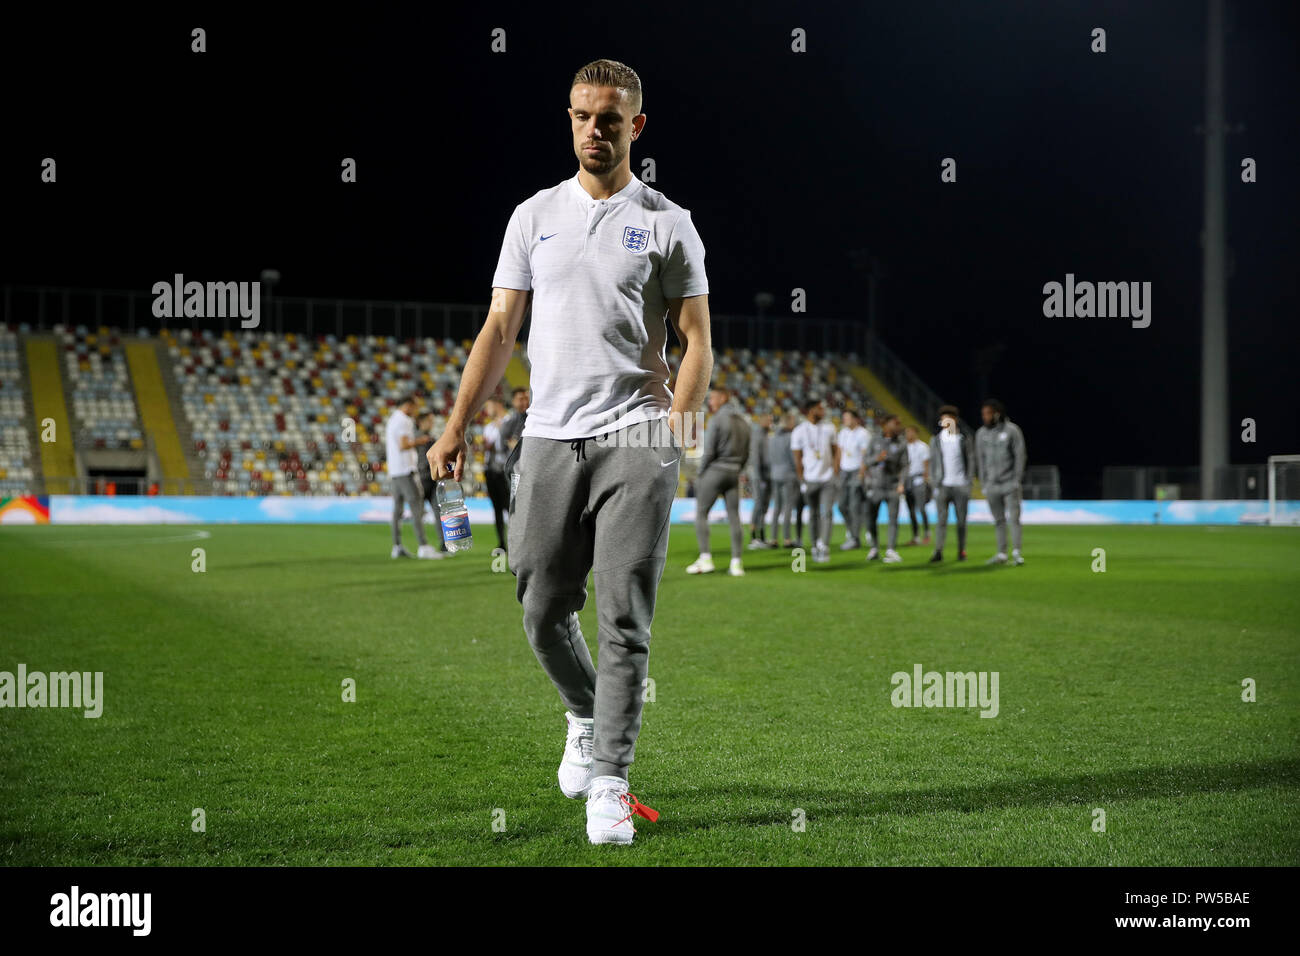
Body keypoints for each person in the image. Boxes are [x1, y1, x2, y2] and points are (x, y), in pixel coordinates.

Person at [427, 59, 711, 845]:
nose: (596, 129)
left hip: (636, 436)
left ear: (637, 127)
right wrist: (454, 426)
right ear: (570, 119)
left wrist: (674, 433)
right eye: (584, 115)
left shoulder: (666, 222)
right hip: (548, 434)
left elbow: (697, 343)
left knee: (624, 615)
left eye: (611, 118)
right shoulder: (533, 216)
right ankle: (584, 714)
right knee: (541, 603)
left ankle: (611, 783)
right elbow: (498, 330)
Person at [687, 387, 750, 576]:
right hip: (734, 473)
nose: (710, 402)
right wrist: (739, 469)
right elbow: (747, 453)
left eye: (713, 398)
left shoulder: (717, 419)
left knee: (701, 513)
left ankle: (705, 559)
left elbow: (709, 452)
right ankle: (736, 563)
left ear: (723, 397)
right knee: (734, 517)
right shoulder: (744, 422)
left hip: (716, 471)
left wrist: (701, 473)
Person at [385, 394, 439, 559]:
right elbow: (404, 445)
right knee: (417, 508)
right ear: (408, 405)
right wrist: (420, 440)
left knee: (397, 510)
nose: (416, 411)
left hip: (394, 471)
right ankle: (423, 546)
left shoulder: (393, 419)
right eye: (415, 407)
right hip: (405, 470)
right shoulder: (404, 421)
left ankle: (397, 546)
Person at [975, 398, 1027, 566]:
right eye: (983, 414)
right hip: (991, 485)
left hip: (1009, 483)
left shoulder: (1012, 430)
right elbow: (980, 460)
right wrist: (984, 483)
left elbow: (1020, 455)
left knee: (1014, 519)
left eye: (988, 413)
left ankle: (1017, 553)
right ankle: (1001, 553)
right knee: (998, 520)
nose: (985, 417)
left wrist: (1016, 480)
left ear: (997, 414)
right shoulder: (981, 434)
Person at [791, 397, 837, 563]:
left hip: (827, 479)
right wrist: (802, 480)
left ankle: (824, 546)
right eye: (820, 408)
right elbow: (797, 459)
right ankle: (815, 545)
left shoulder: (830, 428)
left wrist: (835, 473)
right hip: (809, 479)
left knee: (827, 512)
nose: (823, 412)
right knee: (813, 514)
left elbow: (835, 452)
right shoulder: (799, 431)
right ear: (811, 410)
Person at [928, 404, 974, 563]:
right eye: (943, 418)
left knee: (961, 522)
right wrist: (934, 484)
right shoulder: (936, 440)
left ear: (955, 419)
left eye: (949, 418)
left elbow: (971, 461)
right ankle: (938, 551)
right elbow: (933, 463)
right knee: (941, 522)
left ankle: (961, 550)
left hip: (961, 485)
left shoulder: (963, 438)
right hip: (943, 486)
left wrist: (968, 482)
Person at [862, 413, 908, 563]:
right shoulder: (874, 440)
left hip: (893, 486)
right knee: (871, 519)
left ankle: (891, 550)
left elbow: (905, 465)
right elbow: (865, 461)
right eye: (896, 423)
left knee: (893, 519)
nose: (898, 427)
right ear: (886, 424)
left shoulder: (901, 443)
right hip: (875, 486)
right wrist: (877, 459)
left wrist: (902, 483)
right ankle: (874, 548)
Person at [834, 409, 870, 550]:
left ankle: (855, 539)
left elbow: (864, 455)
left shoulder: (863, 434)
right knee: (842, 505)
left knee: (855, 506)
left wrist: (862, 473)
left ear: (856, 419)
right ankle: (852, 530)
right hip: (844, 472)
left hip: (856, 472)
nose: (845, 420)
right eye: (844, 418)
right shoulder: (843, 433)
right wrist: (836, 470)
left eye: (847, 418)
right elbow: (839, 452)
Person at [413, 411, 446, 553]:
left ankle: (443, 544)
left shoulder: (428, 438)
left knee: (437, 512)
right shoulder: (416, 439)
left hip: (431, 479)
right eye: (428, 421)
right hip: (420, 479)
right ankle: (422, 544)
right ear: (421, 422)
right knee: (419, 513)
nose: (431, 423)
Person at [481, 397, 511, 551]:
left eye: (489, 406)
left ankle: (514, 542)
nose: (487, 410)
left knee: (510, 507)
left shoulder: (509, 422)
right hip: (490, 471)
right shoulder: (488, 427)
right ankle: (502, 543)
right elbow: (486, 447)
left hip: (505, 470)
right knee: (497, 508)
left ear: (498, 405)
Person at [768, 410, 801, 548]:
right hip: (788, 475)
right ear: (789, 423)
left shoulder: (773, 438)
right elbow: (794, 459)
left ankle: (773, 538)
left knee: (776, 507)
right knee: (787, 507)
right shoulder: (791, 438)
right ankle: (787, 539)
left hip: (775, 474)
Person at [747, 412, 774, 549]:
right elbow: (756, 457)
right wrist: (759, 477)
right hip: (759, 476)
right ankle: (753, 537)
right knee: (758, 504)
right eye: (769, 420)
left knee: (764, 506)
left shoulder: (766, 435)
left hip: (767, 475)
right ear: (762, 420)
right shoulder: (758, 434)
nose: (771, 423)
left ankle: (762, 536)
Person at [902, 424, 931, 546]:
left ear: (915, 433)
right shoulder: (904, 447)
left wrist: (926, 480)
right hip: (907, 480)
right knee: (911, 510)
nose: (908, 435)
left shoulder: (923, 447)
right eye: (906, 432)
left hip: (919, 480)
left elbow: (926, 464)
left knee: (921, 508)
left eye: (910, 432)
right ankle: (915, 536)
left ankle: (927, 534)